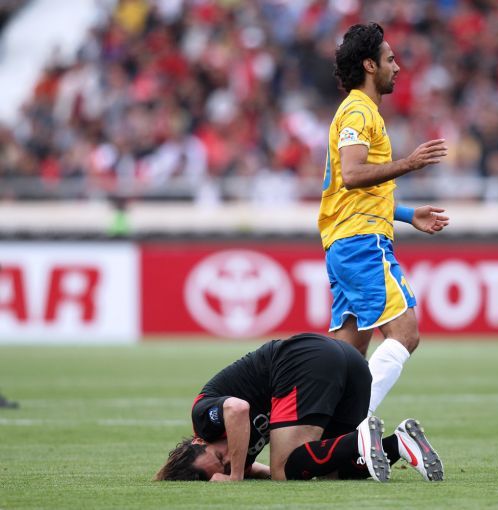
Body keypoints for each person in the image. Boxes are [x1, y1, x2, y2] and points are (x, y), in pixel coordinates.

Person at [319, 22, 449, 416]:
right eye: (390, 59)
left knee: (346, 357)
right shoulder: (359, 111)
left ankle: (316, 433)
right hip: (362, 242)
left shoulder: (358, 111)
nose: (398, 67)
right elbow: (353, 174)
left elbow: (349, 191)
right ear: (370, 65)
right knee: (405, 333)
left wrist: (407, 215)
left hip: (345, 240)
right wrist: (409, 163)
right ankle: (354, 424)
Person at [154, 333, 444, 482]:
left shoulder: (203, 420)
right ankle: (399, 443)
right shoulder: (236, 457)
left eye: (219, 455)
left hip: (302, 361)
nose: (230, 458)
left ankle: (361, 438)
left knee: (285, 470)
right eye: (226, 464)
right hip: (349, 362)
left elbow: (237, 409)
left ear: (199, 441)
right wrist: (243, 470)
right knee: (332, 470)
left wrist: (234, 477)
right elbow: (261, 469)